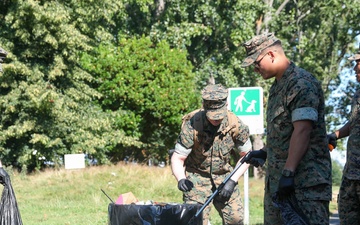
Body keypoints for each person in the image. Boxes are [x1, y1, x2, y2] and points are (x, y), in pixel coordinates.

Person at [241, 33, 332, 224]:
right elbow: (283, 131)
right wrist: (264, 152)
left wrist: (288, 172)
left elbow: (303, 130)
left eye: (257, 63)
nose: (255, 70)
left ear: (271, 55)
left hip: (303, 186)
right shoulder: (277, 87)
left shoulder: (301, 83)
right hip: (279, 185)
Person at [171, 84, 252, 225]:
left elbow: (247, 155)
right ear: (204, 105)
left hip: (225, 178)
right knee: (195, 220)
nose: (216, 120)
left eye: (219, 115)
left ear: (226, 104)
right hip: (197, 178)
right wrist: (181, 179)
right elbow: (178, 157)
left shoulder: (236, 125)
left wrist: (232, 180)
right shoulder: (192, 125)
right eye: (212, 115)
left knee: (236, 220)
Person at [327, 49, 360, 224]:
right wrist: (334, 135)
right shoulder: (358, 94)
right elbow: (354, 123)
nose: (355, 68)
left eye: (359, 63)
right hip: (352, 171)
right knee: (347, 216)